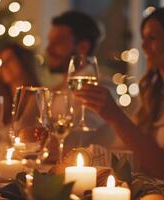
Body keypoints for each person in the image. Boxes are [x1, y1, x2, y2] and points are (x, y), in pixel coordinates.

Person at [73, 7, 164, 178]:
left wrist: (115, 115)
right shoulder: (152, 93)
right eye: (143, 38)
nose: (143, 45)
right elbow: (124, 149)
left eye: (152, 38)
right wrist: (81, 155)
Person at [45, 11, 120, 150]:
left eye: (58, 42)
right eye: (50, 41)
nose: (48, 48)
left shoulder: (102, 88)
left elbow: (71, 143)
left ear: (83, 47)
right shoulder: (55, 89)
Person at [0, 43, 39, 125]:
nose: (5, 66)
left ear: (22, 61)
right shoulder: (3, 102)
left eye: (9, 60)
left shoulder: (37, 99)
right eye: (2, 62)